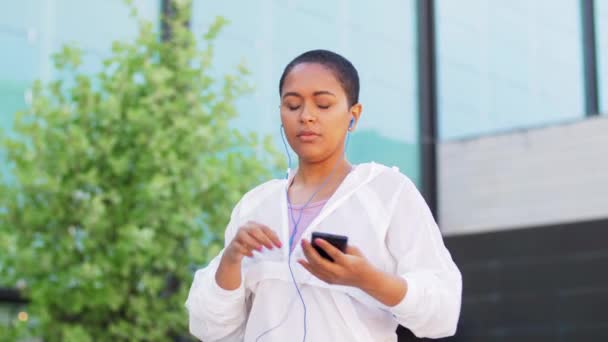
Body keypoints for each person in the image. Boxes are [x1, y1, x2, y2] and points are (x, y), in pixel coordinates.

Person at [185, 49, 462, 342]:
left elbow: (442, 315)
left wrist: (367, 279)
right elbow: (211, 329)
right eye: (292, 105)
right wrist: (231, 260)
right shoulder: (256, 205)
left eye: (323, 104)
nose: (306, 116)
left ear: (353, 115)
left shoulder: (387, 192)